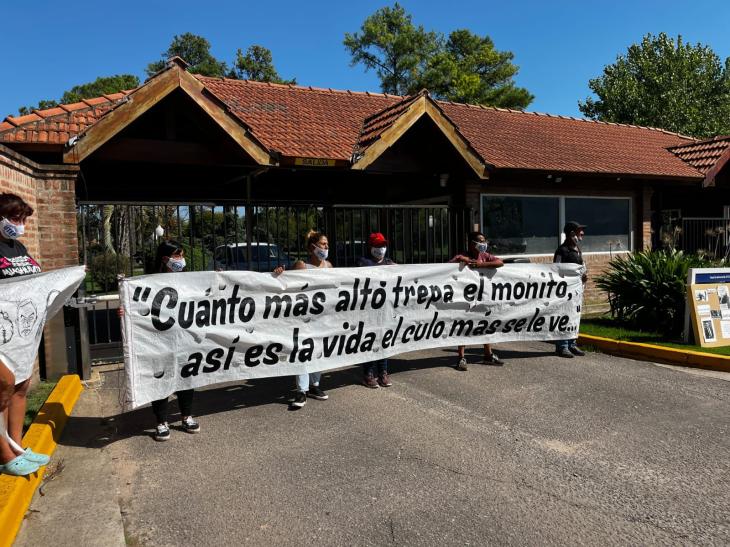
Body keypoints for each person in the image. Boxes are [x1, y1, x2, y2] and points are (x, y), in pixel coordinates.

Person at [119, 240, 200, 440]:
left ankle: (186, 416)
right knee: (160, 377)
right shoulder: (149, 282)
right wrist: (125, 311)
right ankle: (161, 421)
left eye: (182, 255)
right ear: (165, 259)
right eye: (178, 255)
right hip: (158, 340)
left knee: (185, 377)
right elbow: (138, 307)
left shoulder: (190, 280)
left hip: (183, 338)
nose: (181, 259)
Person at [0, 193, 48, 476]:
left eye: (23, 219)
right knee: (3, 386)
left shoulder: (17, 247)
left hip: (18, 334)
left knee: (20, 386)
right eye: (15, 218)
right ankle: (4, 456)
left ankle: (16, 446)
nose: (20, 224)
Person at [274, 230, 331, 409]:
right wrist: (279, 274)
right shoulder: (301, 265)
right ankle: (301, 390)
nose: (326, 247)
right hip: (303, 317)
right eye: (323, 244)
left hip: (321, 316)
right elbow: (287, 285)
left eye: (327, 244)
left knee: (318, 349)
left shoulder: (329, 266)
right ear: (312, 247)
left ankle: (315, 385)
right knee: (302, 351)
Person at [450, 231, 504, 371]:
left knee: (485, 324)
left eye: (484, 240)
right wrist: (461, 261)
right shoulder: (462, 256)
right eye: (480, 241)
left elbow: (500, 262)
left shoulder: (485, 256)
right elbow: (447, 268)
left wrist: (481, 265)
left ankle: (488, 354)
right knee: (464, 326)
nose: (483, 244)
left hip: (482, 297)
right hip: (465, 298)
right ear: (471, 243)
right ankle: (461, 357)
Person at [357, 232, 395, 388]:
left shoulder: (389, 262)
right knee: (370, 340)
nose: (381, 248)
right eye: (378, 245)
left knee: (383, 340)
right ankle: (368, 374)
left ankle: (383, 372)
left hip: (385, 310)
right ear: (371, 247)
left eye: (383, 245)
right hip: (369, 311)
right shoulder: (363, 263)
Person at [553, 221, 588, 358]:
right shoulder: (562, 250)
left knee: (573, 317)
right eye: (580, 231)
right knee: (563, 317)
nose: (582, 233)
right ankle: (562, 346)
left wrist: (583, 276)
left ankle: (572, 343)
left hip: (576, 291)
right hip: (564, 291)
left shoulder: (577, 249)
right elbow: (555, 269)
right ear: (572, 233)